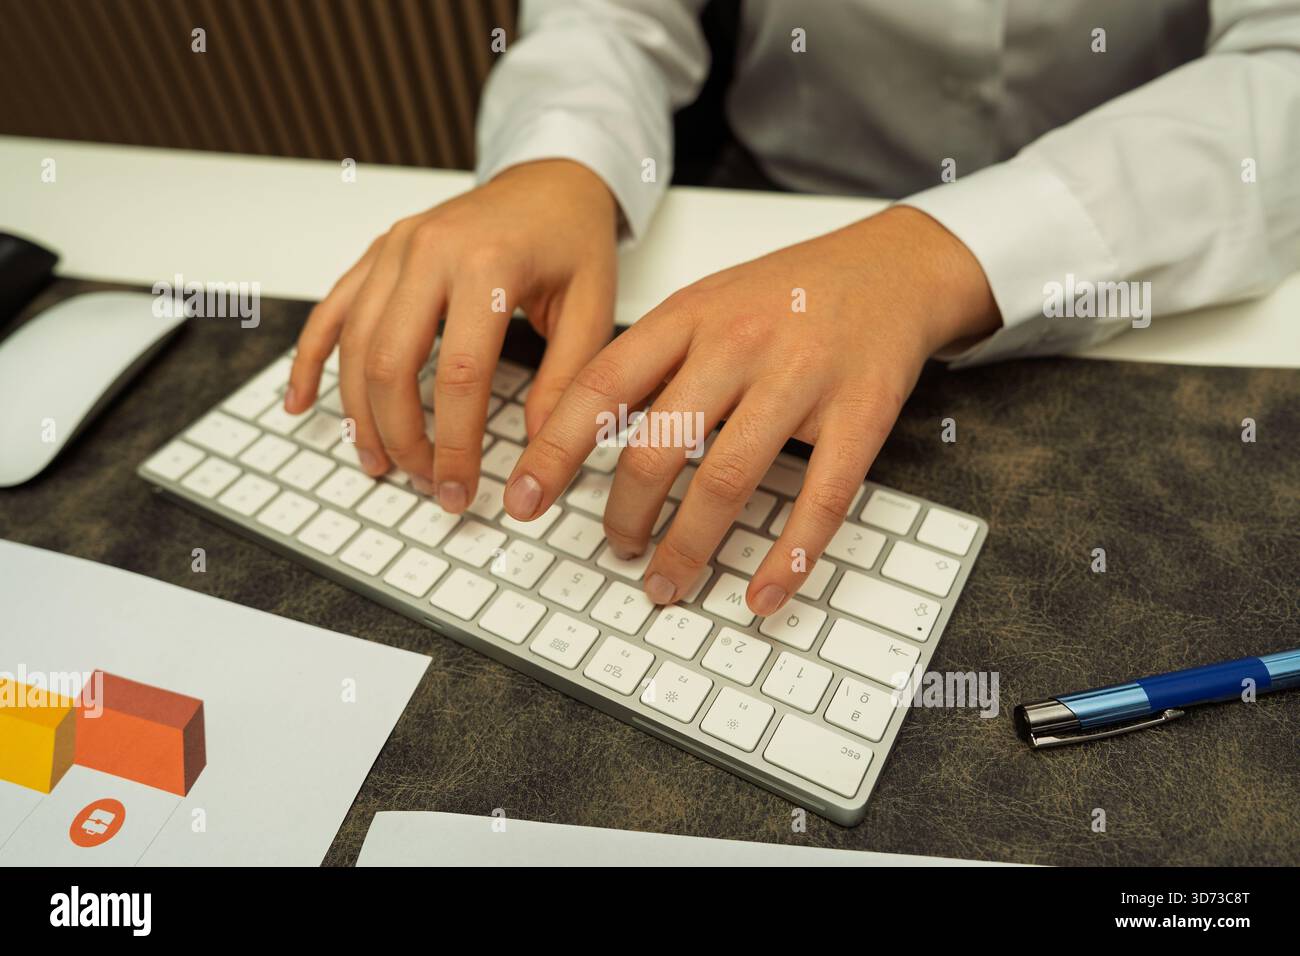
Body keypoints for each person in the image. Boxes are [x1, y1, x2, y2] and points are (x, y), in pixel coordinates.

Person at [284, 0, 1300, 618]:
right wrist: (557, 158)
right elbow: (612, 16)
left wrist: (932, 257)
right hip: (751, 201)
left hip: (1137, 251)